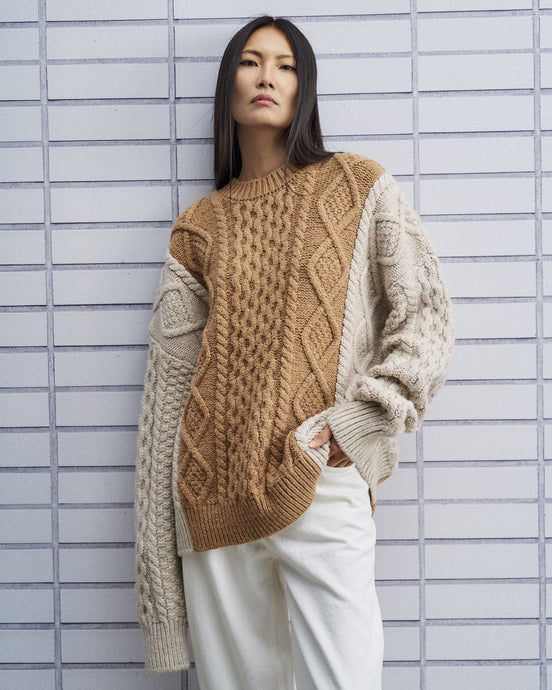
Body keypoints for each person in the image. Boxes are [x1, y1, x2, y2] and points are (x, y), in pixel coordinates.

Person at [135, 14, 454, 690]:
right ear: (228, 85)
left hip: (322, 474)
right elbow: (166, 403)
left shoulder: (357, 185)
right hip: (216, 494)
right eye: (251, 62)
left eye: (285, 65)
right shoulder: (199, 228)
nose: (267, 77)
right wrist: (160, 597)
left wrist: (361, 420)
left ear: (304, 87)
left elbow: (425, 316)